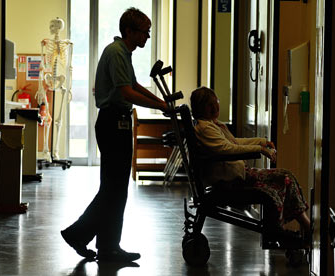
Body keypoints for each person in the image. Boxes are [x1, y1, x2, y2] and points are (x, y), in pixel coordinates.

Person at [61, 7, 168, 262]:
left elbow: (134, 85)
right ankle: (79, 234)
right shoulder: (117, 53)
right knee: (114, 190)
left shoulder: (122, 52)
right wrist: (160, 106)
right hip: (112, 124)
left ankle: (108, 246)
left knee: (115, 189)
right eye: (144, 32)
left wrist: (163, 102)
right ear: (129, 31)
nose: (147, 37)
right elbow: (127, 93)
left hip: (116, 123)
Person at [190, 86, 310, 238]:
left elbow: (234, 142)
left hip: (239, 175)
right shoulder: (206, 128)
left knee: (286, 177)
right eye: (209, 104)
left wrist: (261, 143)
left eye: (216, 102)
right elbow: (228, 149)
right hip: (232, 182)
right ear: (200, 108)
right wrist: (259, 149)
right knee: (284, 178)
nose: (215, 107)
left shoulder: (212, 124)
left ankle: (304, 228)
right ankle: (302, 229)